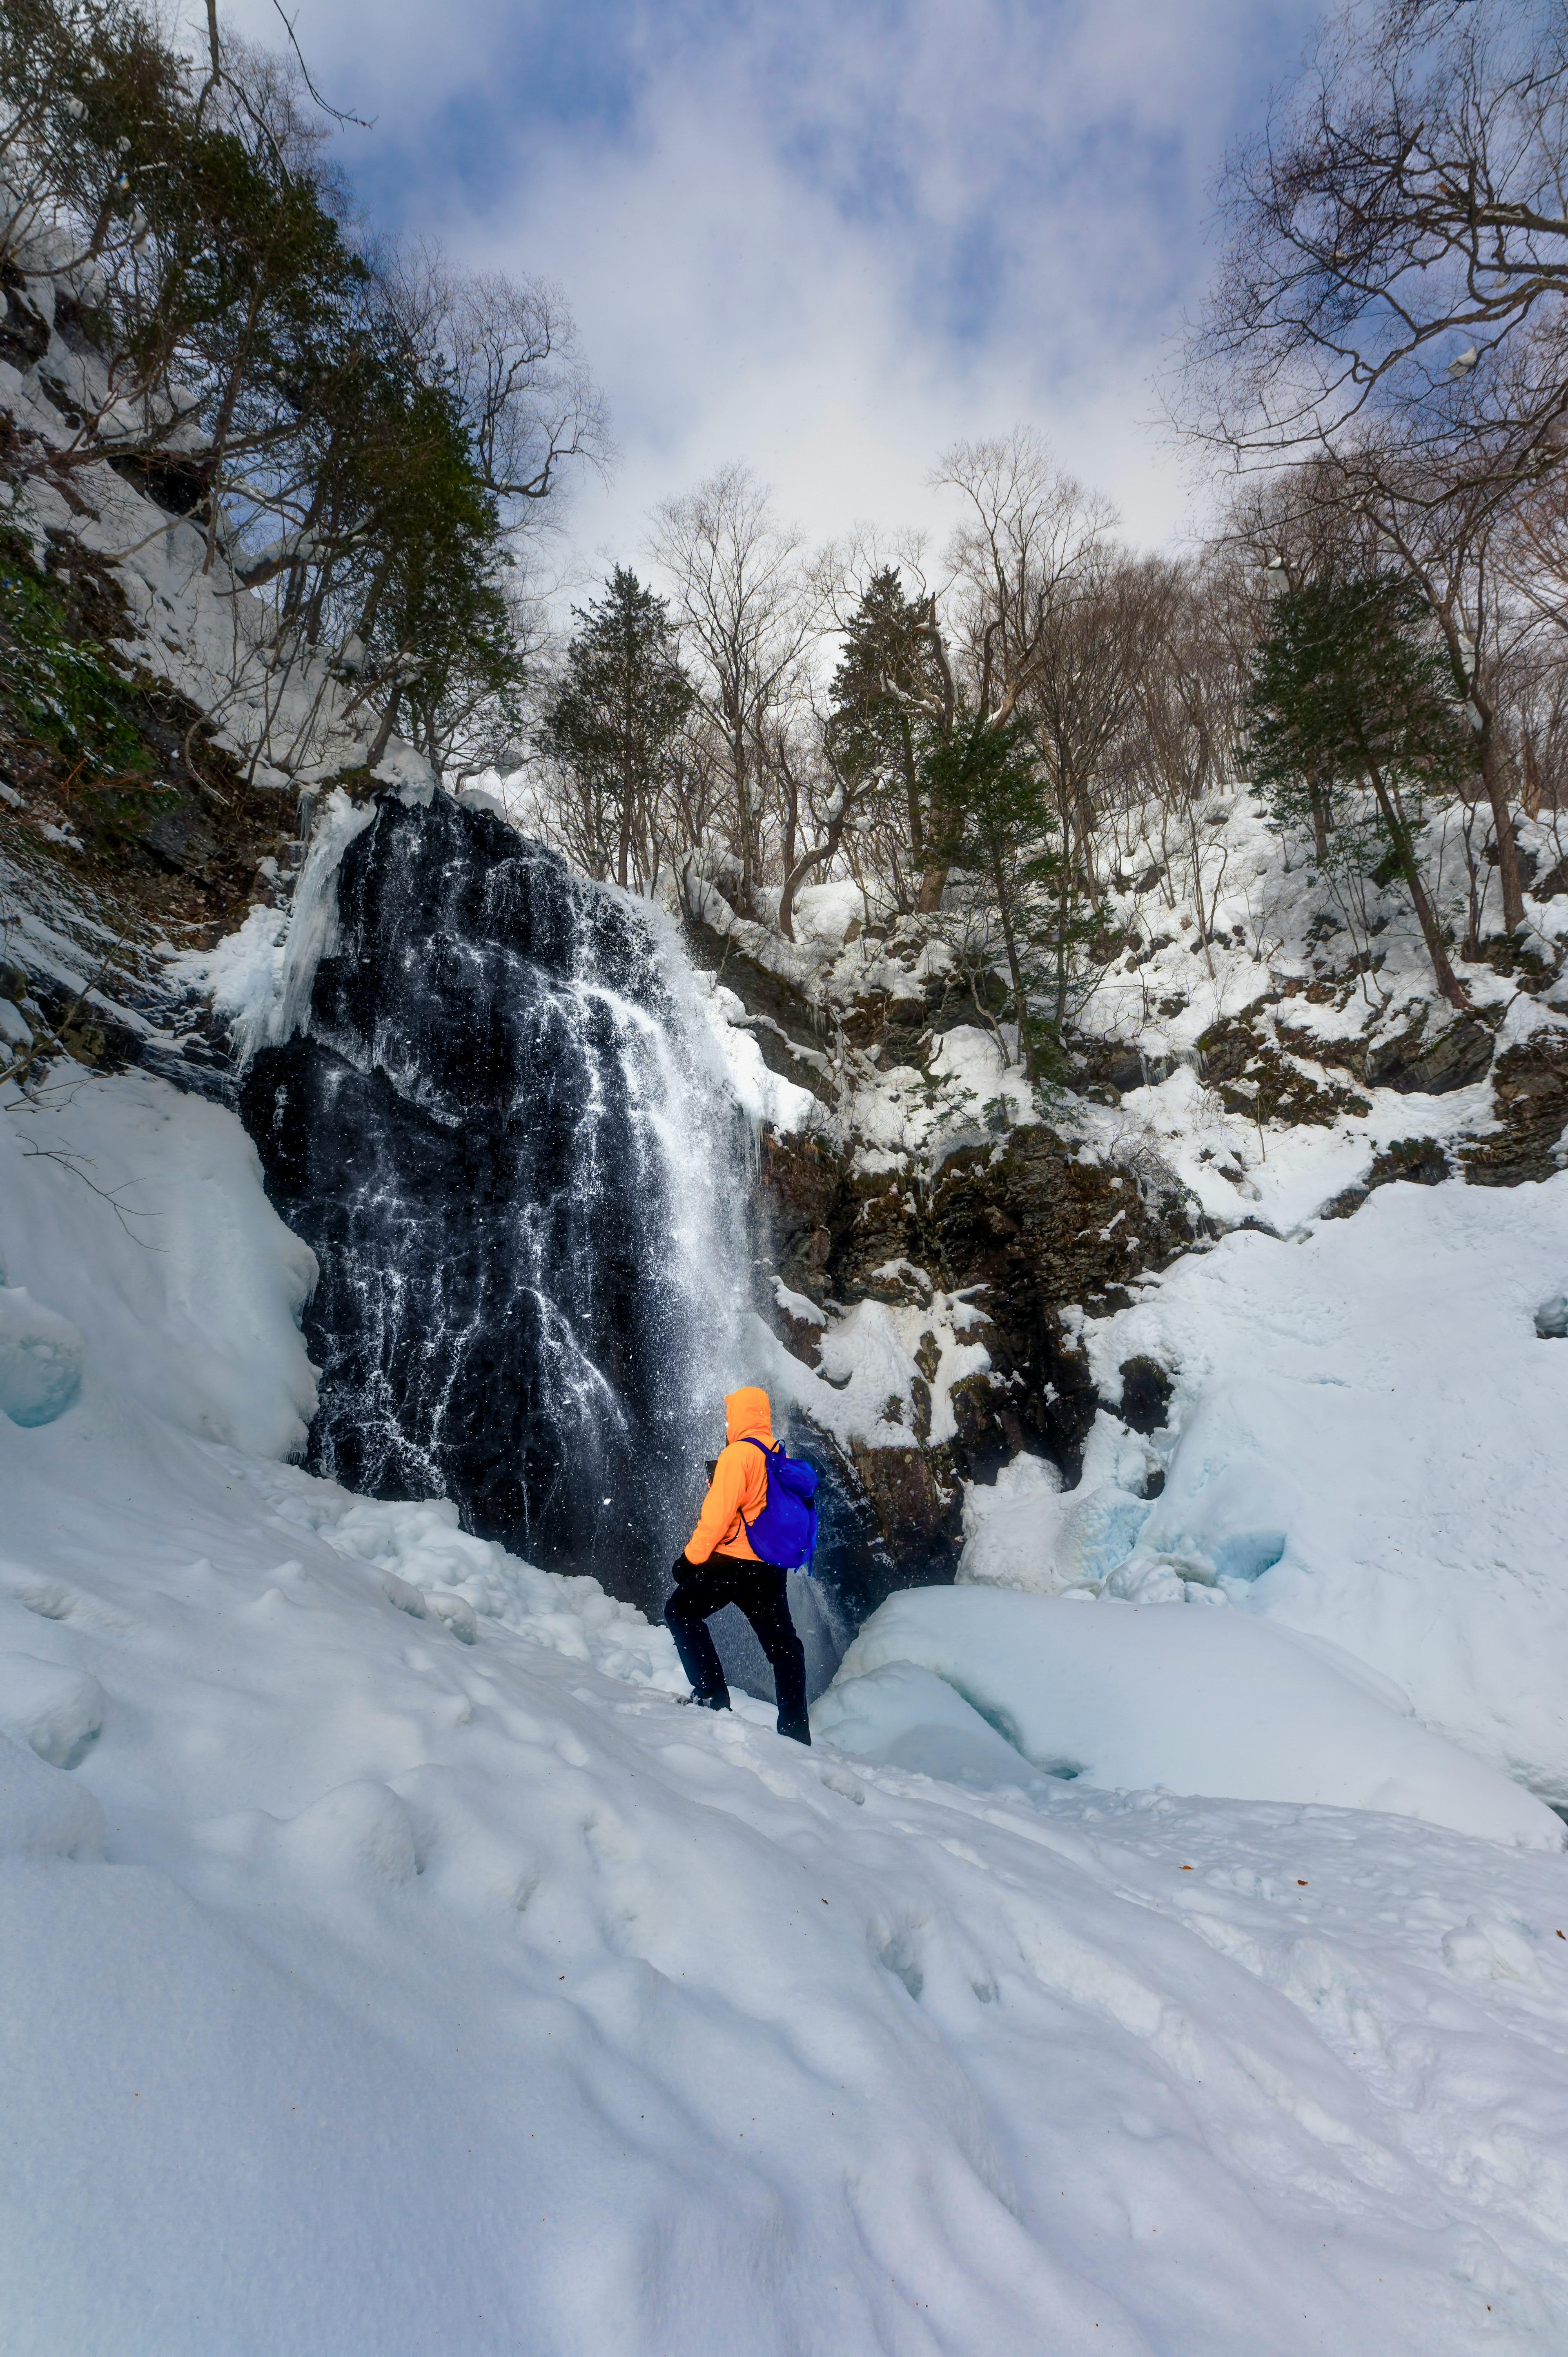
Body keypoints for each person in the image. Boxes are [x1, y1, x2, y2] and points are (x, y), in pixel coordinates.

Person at [666, 1385, 811, 1745]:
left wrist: (690, 1559)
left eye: (730, 1414)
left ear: (739, 1416)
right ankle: (795, 1732)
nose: (728, 1421)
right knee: (784, 1647)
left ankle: (712, 1693)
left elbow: (716, 1518)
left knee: (680, 1610)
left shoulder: (737, 1455)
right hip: (769, 1568)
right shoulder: (776, 1453)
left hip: (733, 1564)